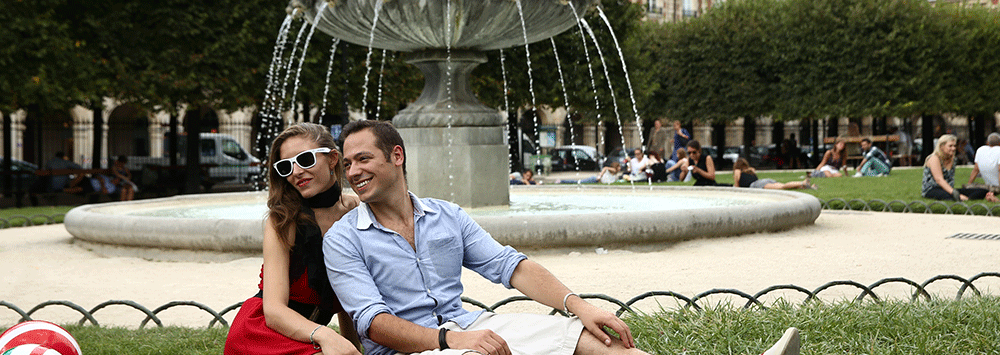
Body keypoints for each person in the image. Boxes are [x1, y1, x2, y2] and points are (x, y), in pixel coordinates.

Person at [325, 120, 800, 355]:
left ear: (396, 157)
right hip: (422, 350)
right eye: (347, 164)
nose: (354, 171)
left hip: (471, 329)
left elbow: (511, 266)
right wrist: (454, 340)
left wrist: (581, 305)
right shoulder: (345, 239)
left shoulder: (446, 216)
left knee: (602, 342)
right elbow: (372, 323)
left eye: (363, 159)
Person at [224, 123, 362, 355]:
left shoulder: (356, 212)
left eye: (305, 159)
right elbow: (274, 310)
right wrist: (327, 335)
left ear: (332, 158)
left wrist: (353, 347)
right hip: (263, 334)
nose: (296, 172)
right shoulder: (283, 220)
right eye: (286, 166)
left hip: (310, 339)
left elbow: (350, 297)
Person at [921, 134, 996, 202]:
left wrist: (955, 193)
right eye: (950, 146)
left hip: (948, 189)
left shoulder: (953, 159)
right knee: (950, 197)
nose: (953, 148)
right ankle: (964, 199)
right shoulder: (934, 158)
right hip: (932, 189)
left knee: (983, 191)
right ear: (941, 146)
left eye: (954, 146)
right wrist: (955, 193)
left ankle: (973, 198)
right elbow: (939, 180)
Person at [734, 158, 814, 190]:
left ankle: (802, 182)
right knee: (783, 185)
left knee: (782, 187)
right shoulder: (751, 170)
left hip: (756, 185)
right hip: (763, 181)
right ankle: (804, 186)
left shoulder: (737, 171)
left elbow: (737, 186)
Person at [555, 162, 620, 184]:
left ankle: (561, 181)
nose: (620, 168)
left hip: (596, 181)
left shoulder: (614, 173)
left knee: (579, 182)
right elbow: (605, 168)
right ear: (616, 167)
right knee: (578, 182)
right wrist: (600, 176)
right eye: (619, 166)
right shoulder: (613, 170)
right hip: (594, 179)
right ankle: (561, 181)